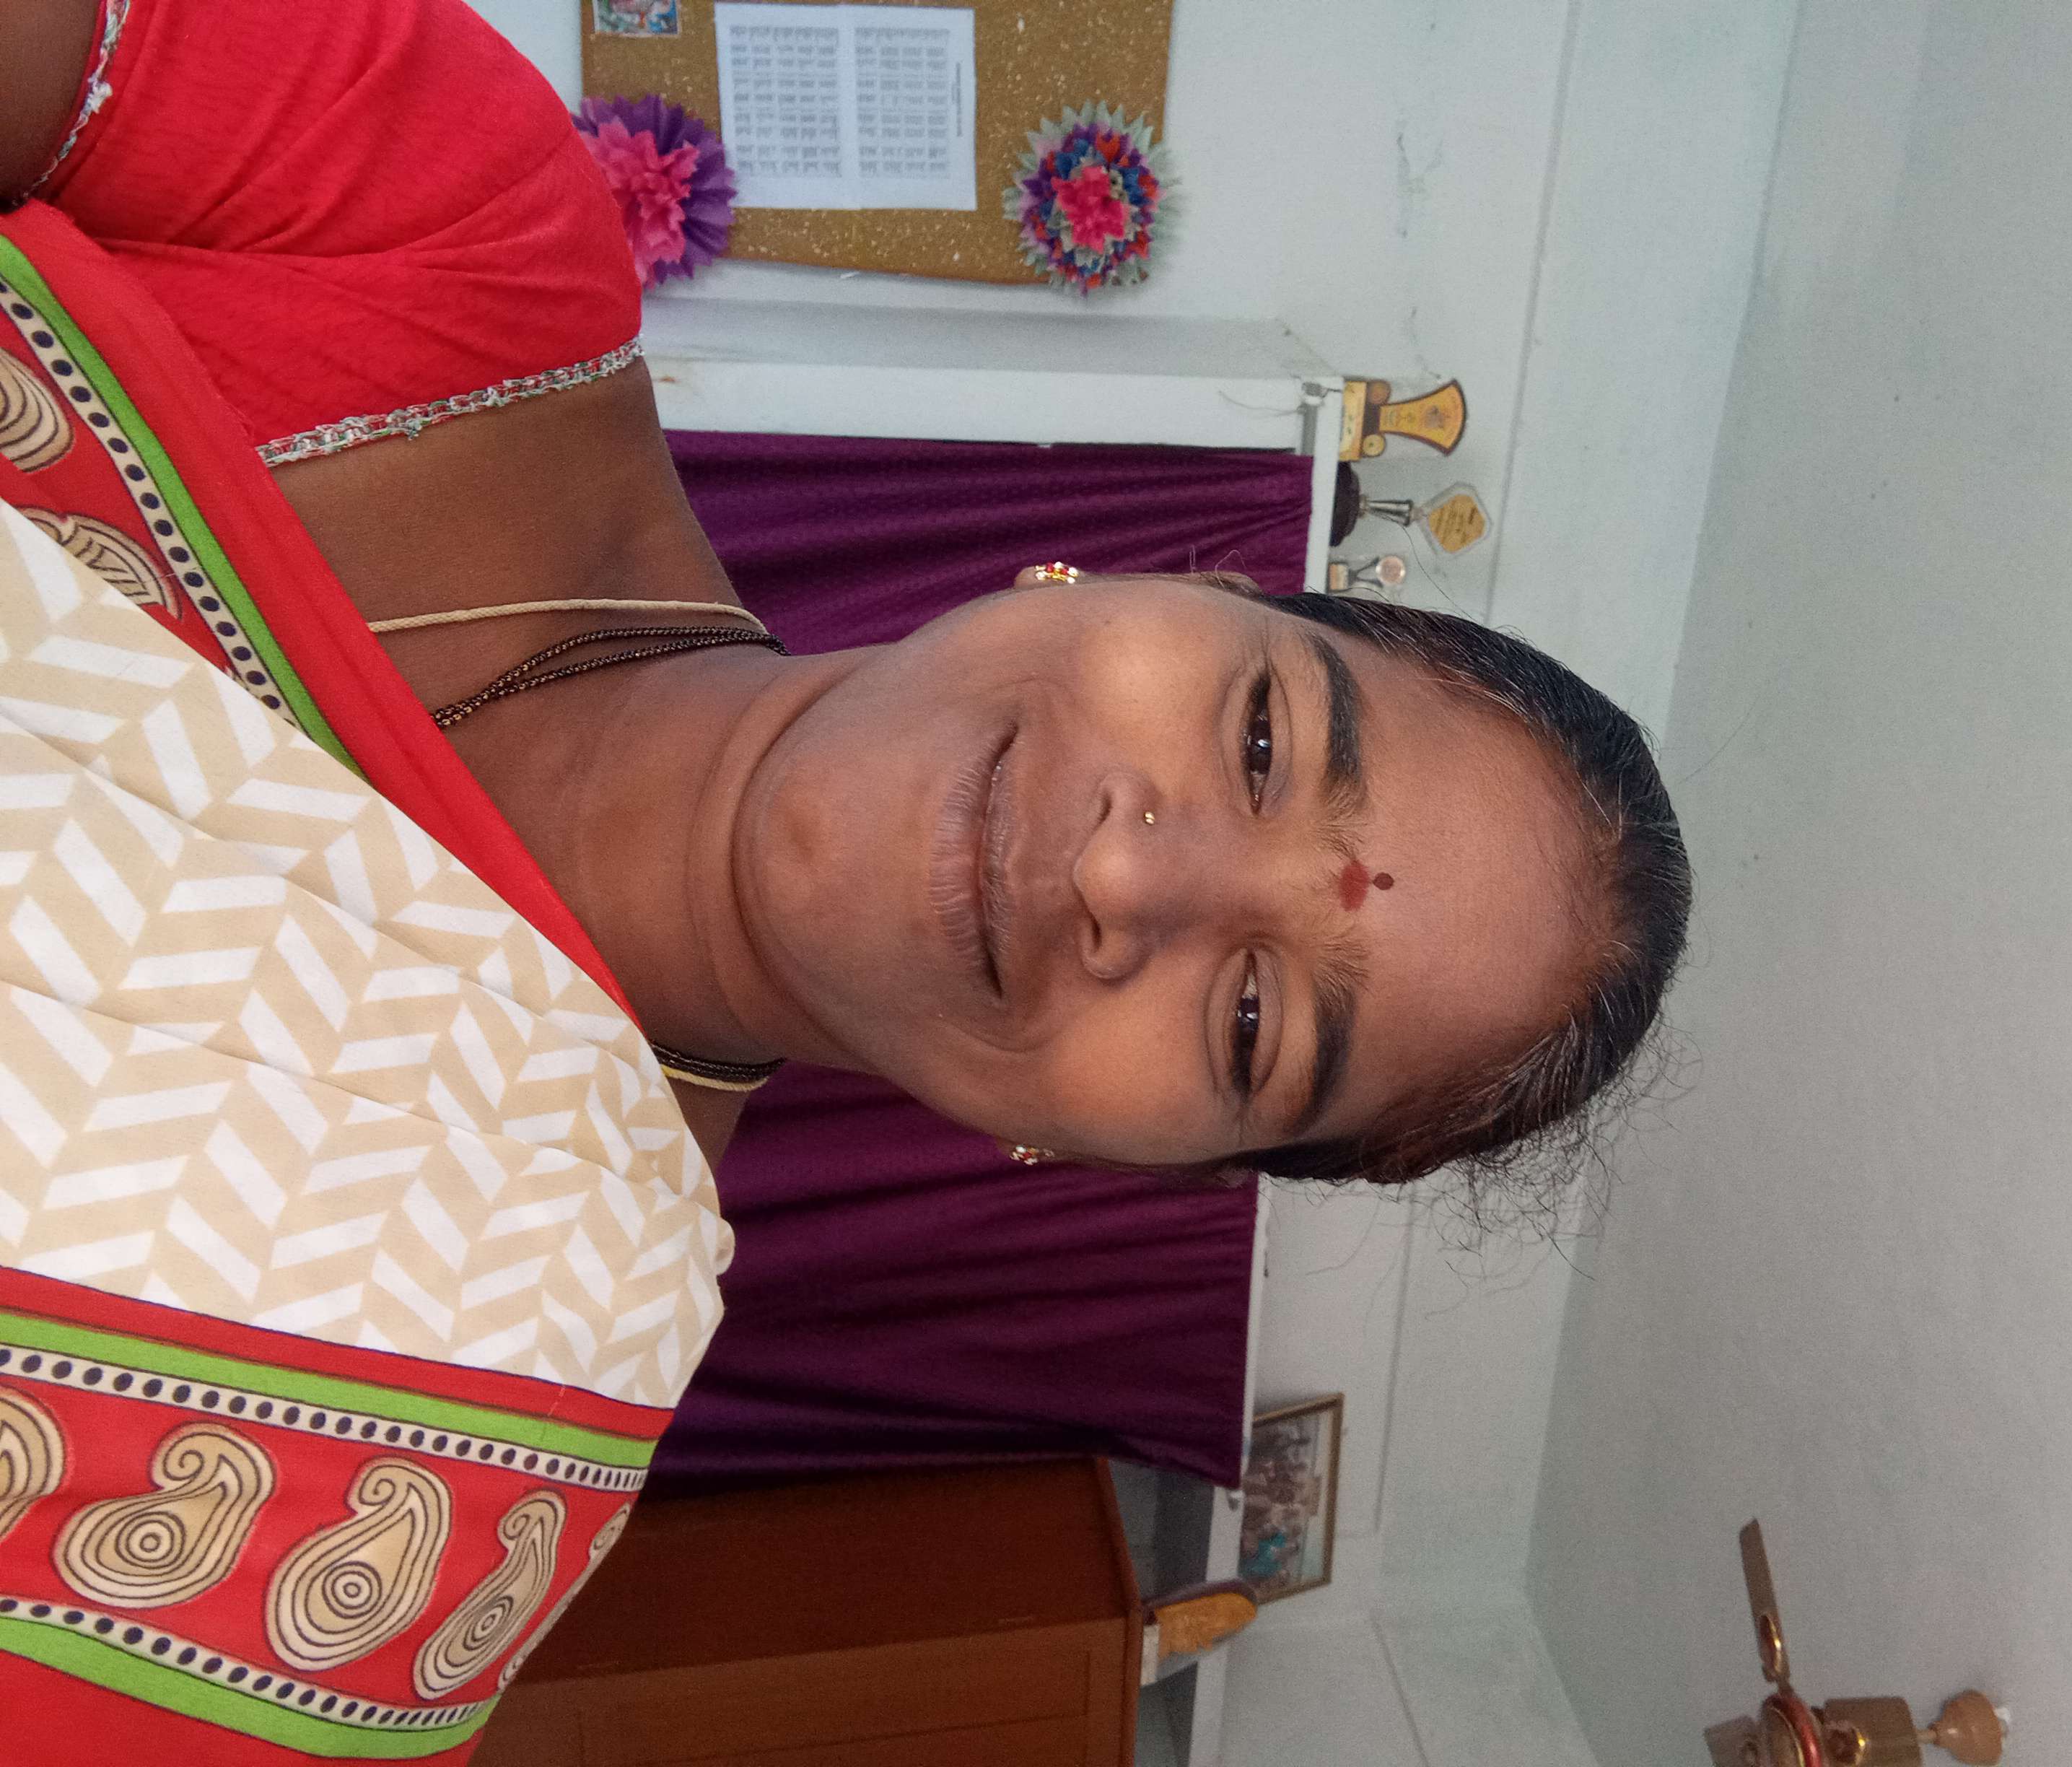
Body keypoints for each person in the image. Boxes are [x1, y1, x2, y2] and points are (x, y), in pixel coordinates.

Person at [0, 1, 1689, 1759]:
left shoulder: (436, 1462)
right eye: (1263, 737)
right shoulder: (453, 230)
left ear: (1123, 1159)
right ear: (1171, 584)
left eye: (1253, 1021)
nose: (1131, 870)